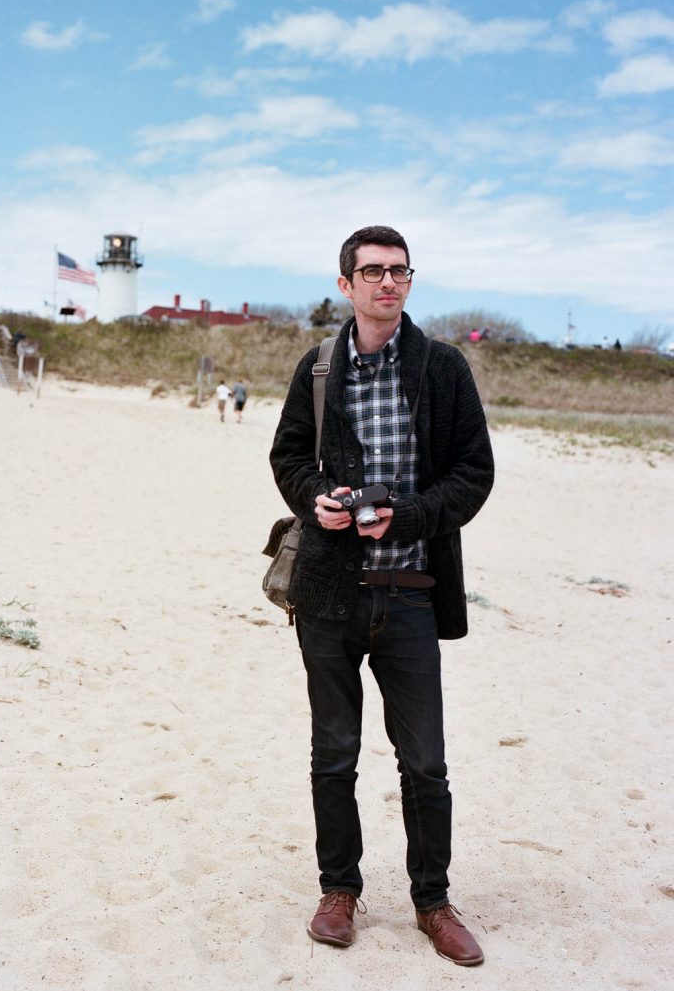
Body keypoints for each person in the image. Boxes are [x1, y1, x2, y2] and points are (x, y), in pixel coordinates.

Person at [270, 226, 494, 966]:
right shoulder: (319, 367)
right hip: (331, 594)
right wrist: (317, 501)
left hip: (410, 594)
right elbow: (289, 456)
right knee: (334, 754)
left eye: (399, 271)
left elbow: (473, 472)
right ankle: (340, 891)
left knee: (424, 760)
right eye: (372, 271)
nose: (387, 282)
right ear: (346, 284)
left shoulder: (444, 369)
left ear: (408, 281)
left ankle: (433, 901)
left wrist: (413, 513)